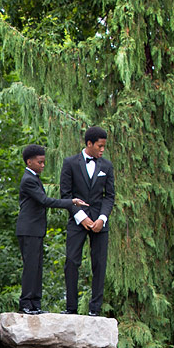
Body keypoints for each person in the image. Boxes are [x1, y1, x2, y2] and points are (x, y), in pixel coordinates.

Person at [16, 144, 89, 314]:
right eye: (40, 162)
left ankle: (35, 303)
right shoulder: (28, 180)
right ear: (29, 162)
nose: (43, 165)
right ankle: (26, 303)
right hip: (28, 230)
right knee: (31, 266)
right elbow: (45, 201)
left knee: (37, 266)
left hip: (36, 230)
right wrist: (71, 202)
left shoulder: (34, 178)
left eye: (44, 162)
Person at [59, 126, 115, 316]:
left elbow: (110, 196)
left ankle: (95, 309)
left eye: (104, 147)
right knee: (72, 261)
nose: (102, 150)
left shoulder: (106, 166)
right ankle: (71, 308)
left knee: (99, 263)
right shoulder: (70, 163)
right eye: (99, 146)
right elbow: (66, 194)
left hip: (100, 222)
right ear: (89, 143)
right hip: (77, 220)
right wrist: (81, 217)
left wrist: (102, 218)